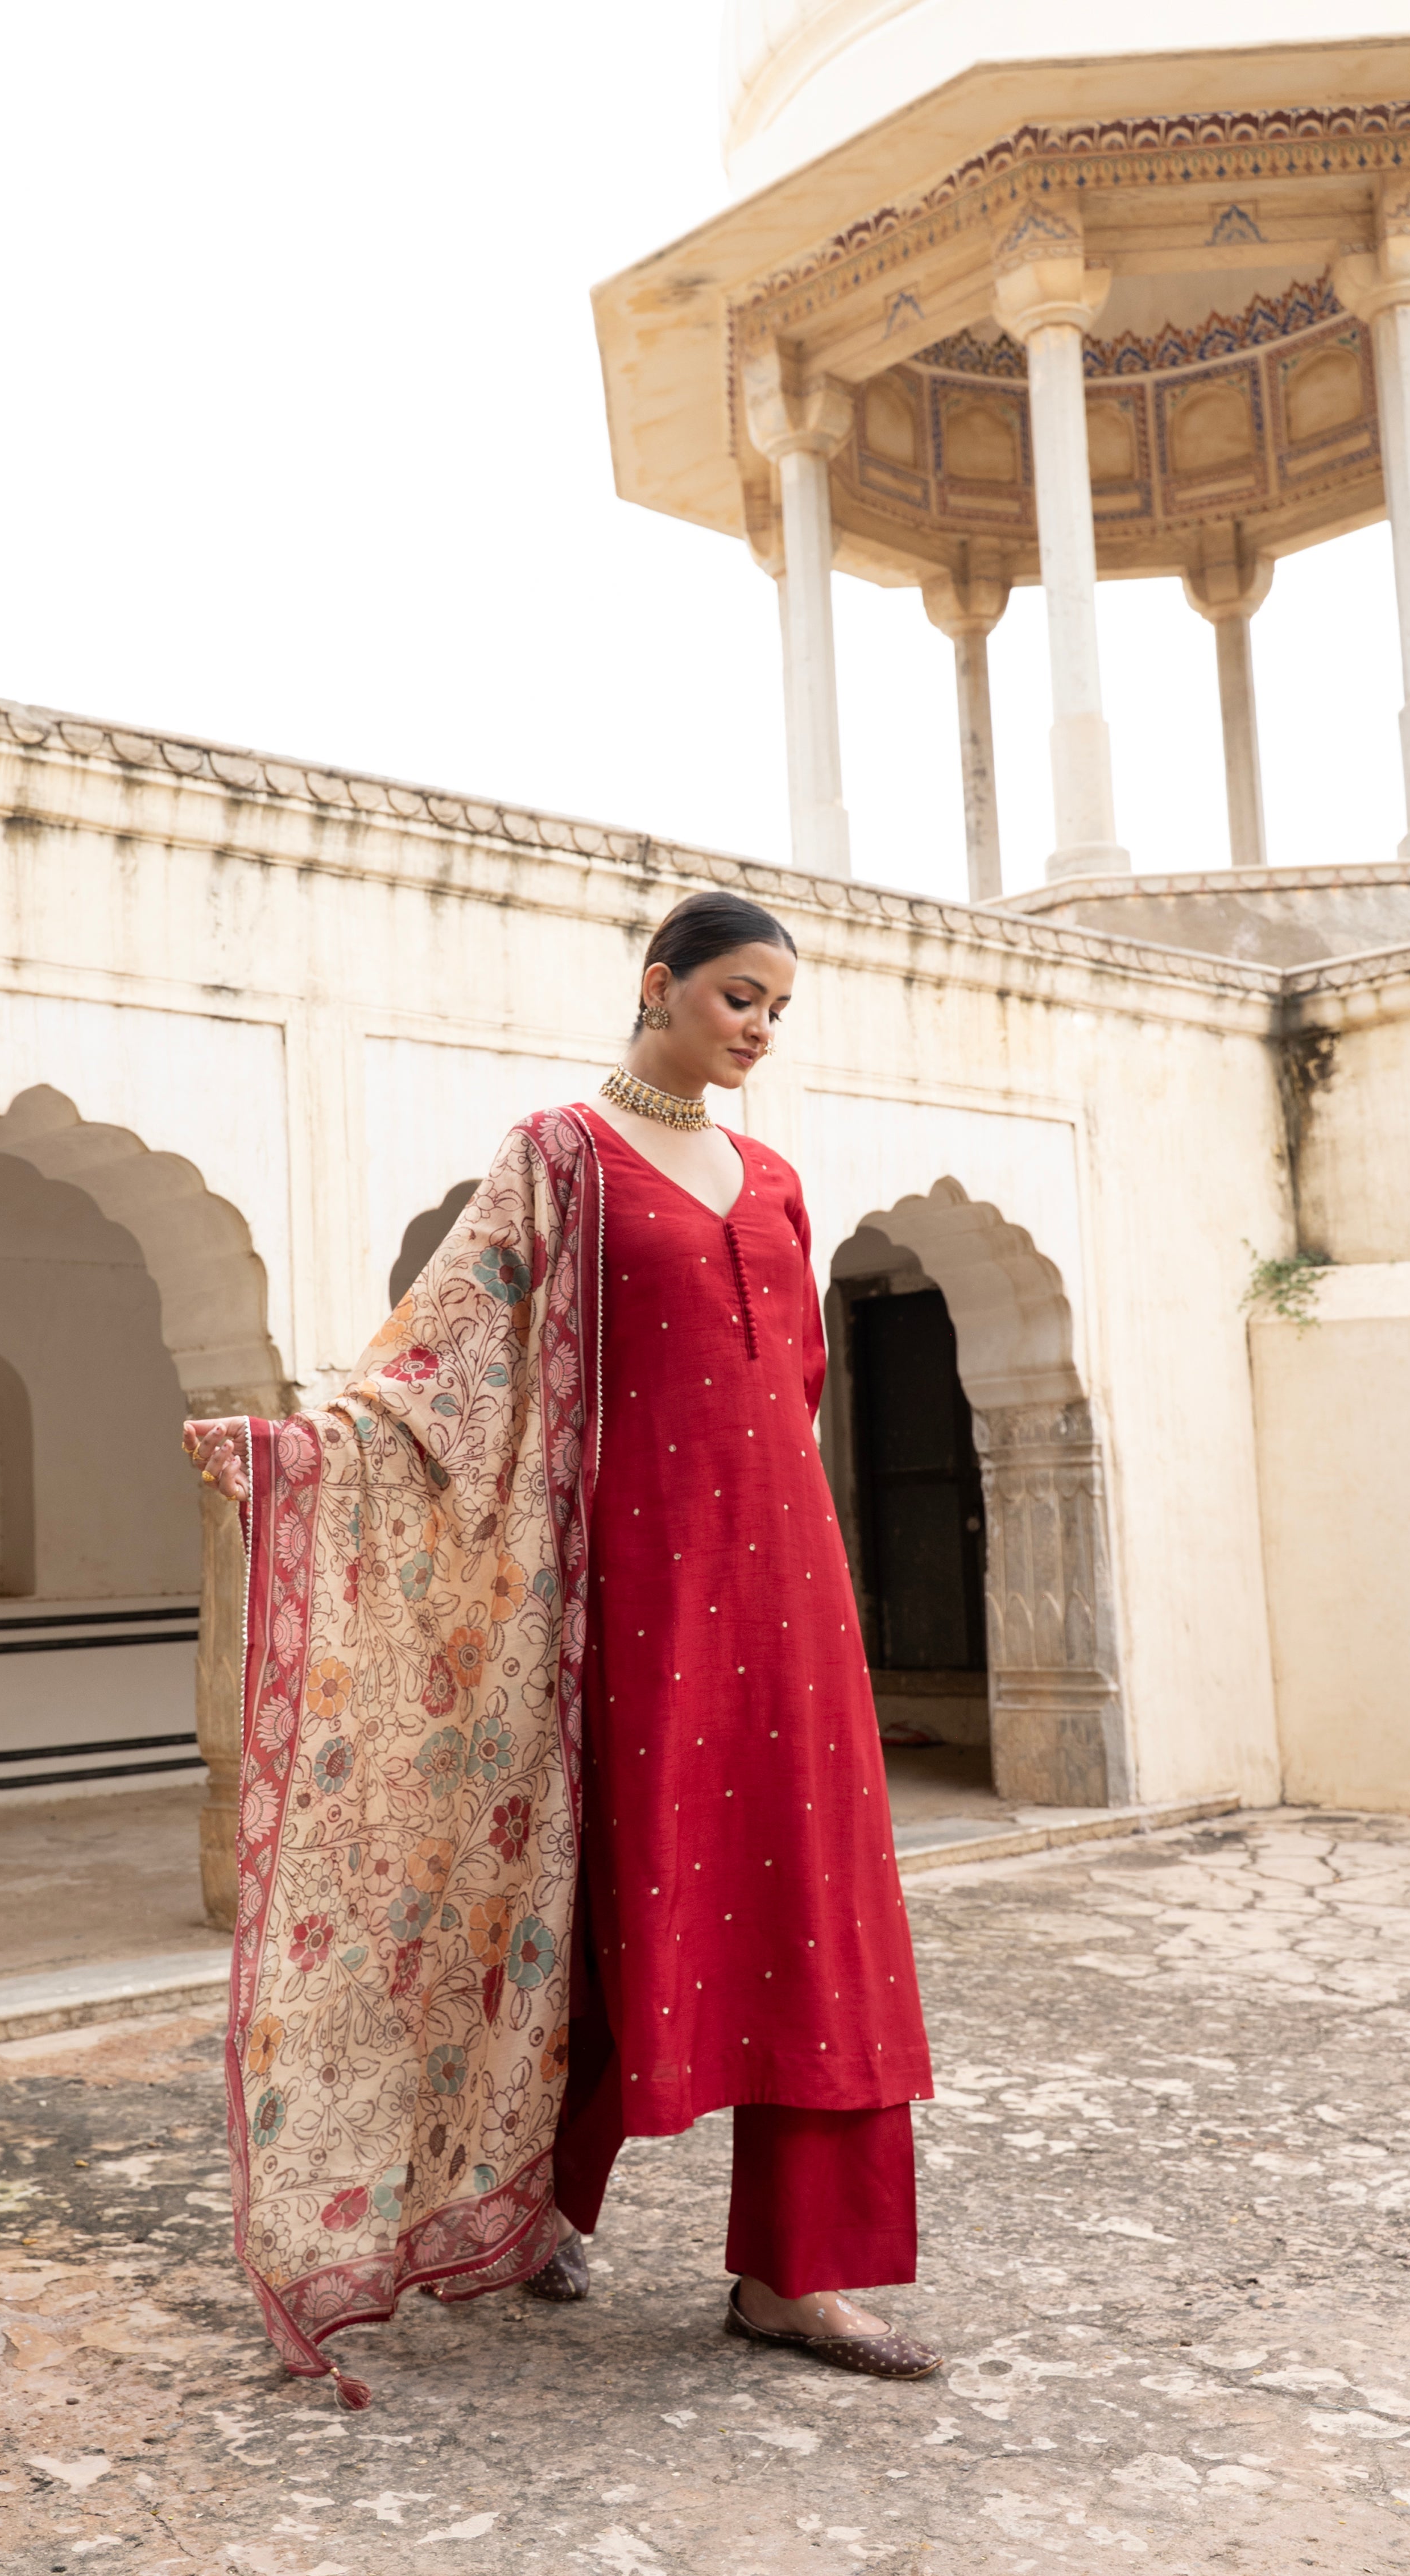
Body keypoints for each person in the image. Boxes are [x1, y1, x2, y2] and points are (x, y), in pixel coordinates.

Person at [184, 890, 939, 2407]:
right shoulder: (564, 1157)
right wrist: (310, 1447)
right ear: (658, 987)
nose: (759, 1027)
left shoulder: (776, 1183)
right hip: (629, 1591)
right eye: (737, 995)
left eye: (778, 1007)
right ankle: (531, 2205)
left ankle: (794, 2277)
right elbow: (447, 1345)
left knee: (821, 1908)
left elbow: (786, 1390)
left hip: (788, 1595)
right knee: (601, 1886)